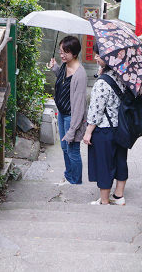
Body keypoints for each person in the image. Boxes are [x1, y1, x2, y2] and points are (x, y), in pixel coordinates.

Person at [82, 56, 127, 205]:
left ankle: (104, 201)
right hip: (120, 127)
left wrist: (88, 131)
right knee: (120, 159)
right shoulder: (123, 77)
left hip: (104, 129)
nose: (95, 57)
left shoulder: (102, 83)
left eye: (99, 55)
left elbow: (96, 109)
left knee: (104, 164)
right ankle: (119, 196)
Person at [47, 36, 87, 185]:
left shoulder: (80, 74)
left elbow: (79, 105)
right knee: (64, 148)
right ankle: (69, 176)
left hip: (72, 117)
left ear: (74, 54)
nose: (62, 55)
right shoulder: (65, 65)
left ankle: (76, 181)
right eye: (60, 52)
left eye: (65, 53)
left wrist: (73, 129)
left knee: (73, 150)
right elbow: (63, 83)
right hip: (62, 113)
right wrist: (55, 68)